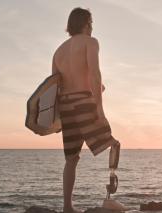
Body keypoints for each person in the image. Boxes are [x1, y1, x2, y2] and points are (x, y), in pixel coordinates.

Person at [51, 7, 119, 213]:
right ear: (86, 23)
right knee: (113, 144)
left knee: (71, 159)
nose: (92, 27)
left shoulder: (58, 51)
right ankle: (110, 198)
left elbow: (55, 87)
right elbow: (95, 75)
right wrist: (99, 107)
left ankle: (67, 207)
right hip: (84, 103)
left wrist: (56, 119)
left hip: (66, 106)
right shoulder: (91, 42)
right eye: (91, 23)